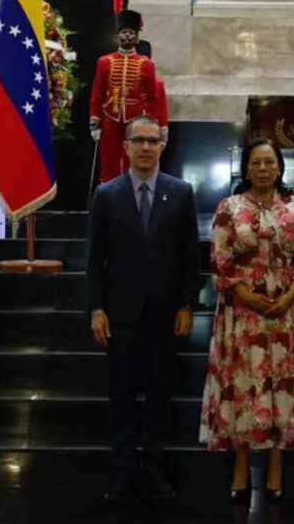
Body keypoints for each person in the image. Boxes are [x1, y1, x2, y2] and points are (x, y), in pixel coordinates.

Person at [86, 114, 200, 505]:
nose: (147, 148)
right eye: (140, 141)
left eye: (153, 141)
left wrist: (188, 304)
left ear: (162, 145)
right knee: (120, 398)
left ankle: (153, 472)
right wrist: (96, 309)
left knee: (158, 397)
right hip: (119, 316)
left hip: (166, 316)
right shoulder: (106, 194)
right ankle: (121, 474)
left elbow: (190, 256)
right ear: (126, 146)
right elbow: (94, 259)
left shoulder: (181, 193)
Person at [199, 138, 294, 503]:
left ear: (280, 167)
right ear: (246, 168)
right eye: (256, 163)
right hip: (242, 314)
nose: (264, 169)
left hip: (287, 314)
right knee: (244, 386)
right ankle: (239, 467)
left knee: (280, 388)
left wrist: (285, 298)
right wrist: (247, 295)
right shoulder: (228, 207)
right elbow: (219, 261)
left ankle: (275, 468)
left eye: (269, 163)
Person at [89, 0, 157, 183]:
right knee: (109, 161)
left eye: (131, 32)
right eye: (124, 32)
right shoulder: (105, 61)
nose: (127, 35)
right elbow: (97, 93)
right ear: (118, 35)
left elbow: (152, 97)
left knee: (132, 159)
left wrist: (152, 123)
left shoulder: (146, 64)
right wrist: (95, 121)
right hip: (110, 117)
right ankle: (107, 196)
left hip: (135, 118)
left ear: (137, 37)